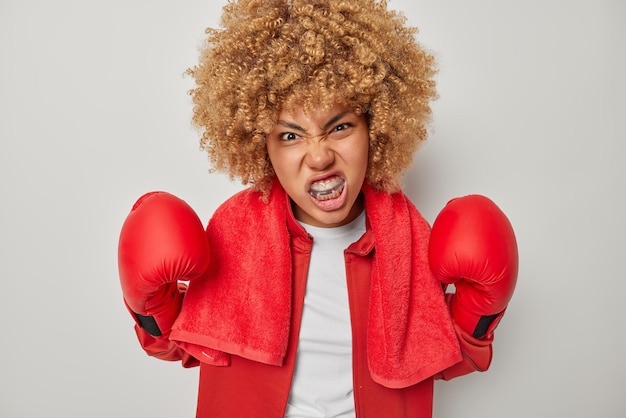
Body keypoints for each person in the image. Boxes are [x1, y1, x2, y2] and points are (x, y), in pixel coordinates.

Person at [117, 0, 518, 417]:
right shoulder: (234, 233)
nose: (319, 157)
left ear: (375, 127)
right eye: (290, 136)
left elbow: (442, 358)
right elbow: (182, 344)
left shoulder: (409, 238)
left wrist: (479, 315)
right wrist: (150, 306)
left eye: (340, 127)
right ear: (262, 147)